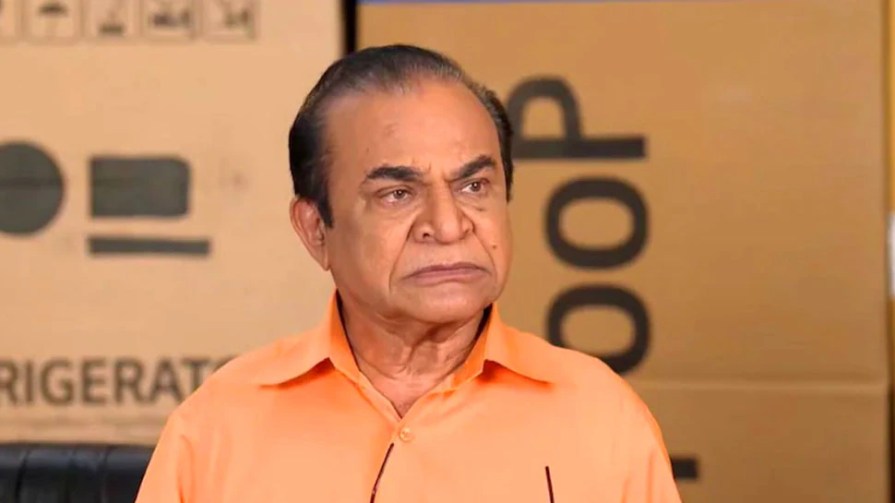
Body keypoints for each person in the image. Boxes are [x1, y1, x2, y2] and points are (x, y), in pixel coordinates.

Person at [135, 44, 682, 503]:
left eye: (474, 186)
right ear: (315, 229)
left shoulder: (599, 417)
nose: (448, 225)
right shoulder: (219, 428)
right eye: (397, 193)